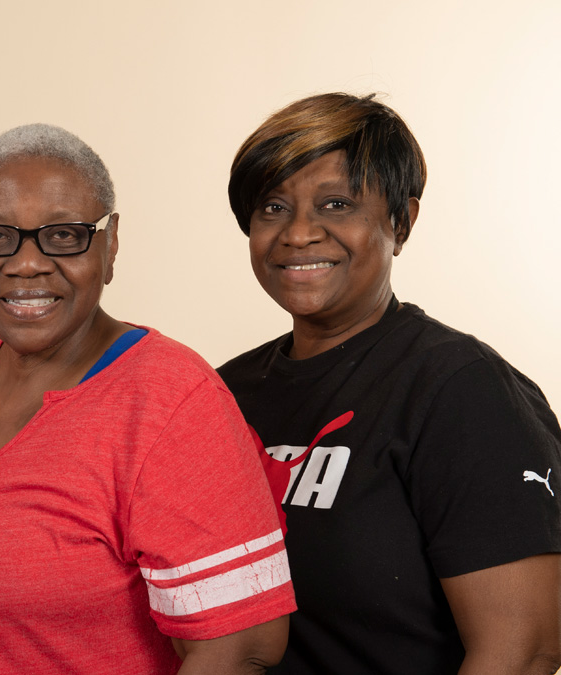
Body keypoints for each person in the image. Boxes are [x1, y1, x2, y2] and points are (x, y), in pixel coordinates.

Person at [0, 123, 296, 674]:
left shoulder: (172, 399)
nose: (27, 263)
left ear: (110, 242)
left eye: (64, 235)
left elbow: (242, 650)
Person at [218, 92, 561, 674]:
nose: (298, 233)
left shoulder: (460, 390)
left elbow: (525, 651)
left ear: (401, 221)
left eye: (336, 204)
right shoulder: (223, 394)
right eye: (272, 207)